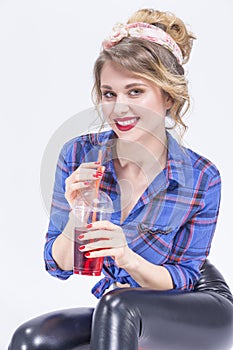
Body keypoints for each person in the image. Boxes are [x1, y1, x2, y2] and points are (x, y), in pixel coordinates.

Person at [8, 8, 233, 350]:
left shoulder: (202, 177)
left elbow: (185, 278)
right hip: (122, 306)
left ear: (168, 97)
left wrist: (126, 257)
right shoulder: (78, 155)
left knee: (118, 306)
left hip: (198, 303)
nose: (119, 108)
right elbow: (58, 265)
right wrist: (76, 215)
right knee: (31, 340)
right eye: (109, 94)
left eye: (135, 92)